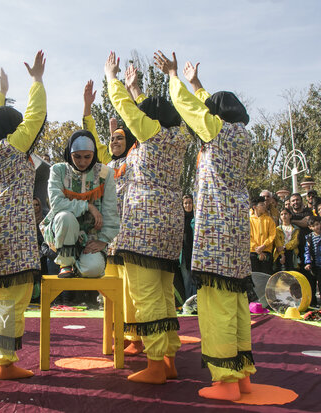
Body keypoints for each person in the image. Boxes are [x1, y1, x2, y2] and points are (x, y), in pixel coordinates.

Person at [155, 51, 255, 400]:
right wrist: (198, 84)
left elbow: (191, 109)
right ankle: (242, 375)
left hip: (217, 232)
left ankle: (225, 380)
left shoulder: (217, 133)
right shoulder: (242, 135)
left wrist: (173, 77)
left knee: (217, 306)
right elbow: (208, 110)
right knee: (237, 300)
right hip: (238, 231)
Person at [107, 51, 188, 385]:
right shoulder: (180, 137)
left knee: (146, 296)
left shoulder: (150, 136)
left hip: (143, 224)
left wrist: (112, 79)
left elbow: (125, 108)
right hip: (171, 224)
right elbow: (156, 112)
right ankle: (169, 358)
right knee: (166, 292)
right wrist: (138, 89)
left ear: (149, 120)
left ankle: (155, 364)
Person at [0, 51, 47, 380]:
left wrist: (0, 94)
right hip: (12, 226)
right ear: (13, 129)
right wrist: (37, 81)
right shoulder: (15, 146)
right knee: (14, 294)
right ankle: (6, 361)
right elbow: (36, 115)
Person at [82, 79, 143, 354]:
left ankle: (135, 336)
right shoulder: (106, 167)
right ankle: (115, 332)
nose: (114, 142)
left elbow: (141, 131)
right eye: (112, 139)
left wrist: (132, 92)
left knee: (130, 287)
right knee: (111, 287)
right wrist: (87, 108)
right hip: (110, 235)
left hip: (130, 233)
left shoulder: (135, 158)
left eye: (119, 138)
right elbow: (92, 143)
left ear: (128, 141)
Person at [40, 129, 119, 278]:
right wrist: (88, 206)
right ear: (69, 154)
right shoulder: (58, 170)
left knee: (93, 270)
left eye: (87, 157)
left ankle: (79, 264)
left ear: (94, 154)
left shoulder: (105, 173)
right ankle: (66, 262)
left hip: (91, 236)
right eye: (77, 157)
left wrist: (103, 241)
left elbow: (110, 209)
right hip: (61, 230)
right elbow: (57, 204)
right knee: (65, 217)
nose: (82, 162)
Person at [249, 196, 276, 275]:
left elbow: (272, 235)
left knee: (266, 275)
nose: (264, 206)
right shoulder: (249, 220)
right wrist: (257, 249)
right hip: (253, 252)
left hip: (266, 251)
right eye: (262, 205)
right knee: (255, 275)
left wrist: (264, 246)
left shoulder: (269, 220)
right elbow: (248, 236)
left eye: (264, 204)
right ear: (255, 207)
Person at [181, 194, 196, 300]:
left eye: (190, 203)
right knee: (186, 281)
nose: (188, 205)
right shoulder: (180, 220)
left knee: (195, 280)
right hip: (183, 256)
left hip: (194, 255)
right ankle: (188, 302)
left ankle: (196, 302)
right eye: (185, 203)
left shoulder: (196, 219)